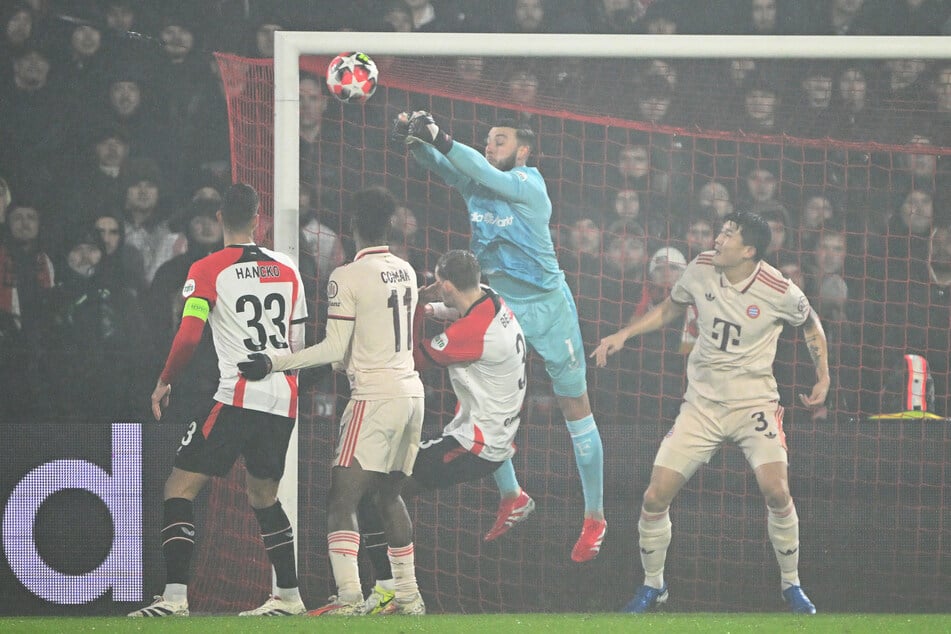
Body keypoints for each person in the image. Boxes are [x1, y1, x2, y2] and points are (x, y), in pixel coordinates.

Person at [393, 111, 607, 561]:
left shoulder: (530, 185)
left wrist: (441, 136)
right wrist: (416, 143)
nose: (491, 146)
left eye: (501, 140)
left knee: (575, 407)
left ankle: (594, 516)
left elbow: (473, 166)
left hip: (548, 308)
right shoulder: (478, 183)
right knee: (481, 403)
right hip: (499, 308)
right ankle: (513, 497)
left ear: (523, 151)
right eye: (488, 139)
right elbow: (446, 167)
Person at [592, 211, 829, 615]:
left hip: (754, 403)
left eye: (728, 235)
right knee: (654, 496)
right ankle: (654, 586)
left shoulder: (778, 288)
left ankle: (792, 585)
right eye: (720, 232)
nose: (718, 239)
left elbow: (810, 324)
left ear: (749, 250)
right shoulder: (700, 267)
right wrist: (624, 334)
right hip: (701, 405)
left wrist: (822, 379)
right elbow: (670, 307)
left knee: (777, 491)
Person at [238, 186, 427, 616]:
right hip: (412, 393)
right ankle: (409, 597)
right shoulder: (406, 269)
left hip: (375, 396)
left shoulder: (346, 275)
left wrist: (274, 362)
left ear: (353, 226)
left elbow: (332, 347)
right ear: (391, 226)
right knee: (388, 497)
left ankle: (348, 598)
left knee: (341, 499)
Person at [127, 183, 308, 617]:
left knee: (179, 487)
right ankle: (290, 596)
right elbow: (298, 342)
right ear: (259, 217)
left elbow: (190, 333)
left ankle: (174, 599)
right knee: (264, 496)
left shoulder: (208, 267)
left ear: (222, 218)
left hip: (237, 396)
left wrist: (164, 381)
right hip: (282, 399)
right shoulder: (288, 267)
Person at [359, 249, 528, 614]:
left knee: (380, 492)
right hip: (492, 435)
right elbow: (456, 311)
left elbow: (414, 358)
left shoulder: (472, 332)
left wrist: (413, 308)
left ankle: (398, 594)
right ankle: (397, 593)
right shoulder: (488, 298)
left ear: (447, 284)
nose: (436, 288)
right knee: (385, 488)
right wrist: (430, 304)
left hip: (473, 445)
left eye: (439, 283)